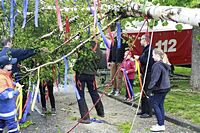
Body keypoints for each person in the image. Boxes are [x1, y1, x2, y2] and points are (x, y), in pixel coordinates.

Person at [73, 41, 104, 124]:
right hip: (91, 75)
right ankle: (101, 112)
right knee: (94, 93)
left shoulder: (83, 48)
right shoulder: (99, 51)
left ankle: (85, 117)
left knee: (80, 95)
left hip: (81, 75)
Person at [147, 48, 171, 132]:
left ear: (157, 55)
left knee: (155, 104)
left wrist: (150, 89)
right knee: (160, 105)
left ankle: (161, 125)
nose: (152, 57)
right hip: (165, 87)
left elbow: (154, 79)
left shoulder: (157, 65)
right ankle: (161, 123)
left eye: (153, 55)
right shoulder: (164, 64)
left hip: (160, 88)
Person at [134, 34, 155, 118]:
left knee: (147, 92)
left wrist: (139, 58)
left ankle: (148, 111)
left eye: (141, 39)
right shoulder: (145, 49)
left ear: (145, 40)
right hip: (144, 73)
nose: (140, 41)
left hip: (148, 74)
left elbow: (148, 61)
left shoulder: (149, 49)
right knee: (143, 91)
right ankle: (143, 110)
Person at [0, 56, 21, 133]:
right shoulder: (1, 78)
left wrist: (14, 84)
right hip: (7, 111)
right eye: (10, 63)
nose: (12, 65)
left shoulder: (4, 75)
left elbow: (6, 84)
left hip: (3, 110)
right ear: (4, 66)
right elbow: (2, 95)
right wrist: (15, 92)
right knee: (13, 129)